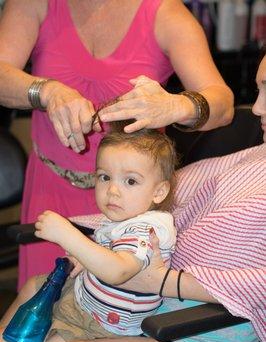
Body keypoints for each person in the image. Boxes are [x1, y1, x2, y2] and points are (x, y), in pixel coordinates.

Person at [0, 55, 265, 342]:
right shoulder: (252, 158)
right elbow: (156, 204)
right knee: (36, 291)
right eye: (258, 90)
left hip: (195, 338)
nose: (257, 108)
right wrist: (102, 246)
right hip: (142, 304)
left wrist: (160, 280)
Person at [0, 0, 234, 289]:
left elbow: (223, 104)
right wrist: (45, 91)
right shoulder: (34, 4)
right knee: (39, 309)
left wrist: (175, 105)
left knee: (114, 315)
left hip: (132, 203)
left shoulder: (165, 13)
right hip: (51, 191)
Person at [33, 124, 177, 341]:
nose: (112, 190)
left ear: (159, 192)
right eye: (104, 177)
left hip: (103, 328)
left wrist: (67, 235)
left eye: (130, 181)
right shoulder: (125, 218)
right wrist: (85, 258)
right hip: (84, 304)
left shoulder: (147, 229)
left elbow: (117, 271)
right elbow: (107, 253)